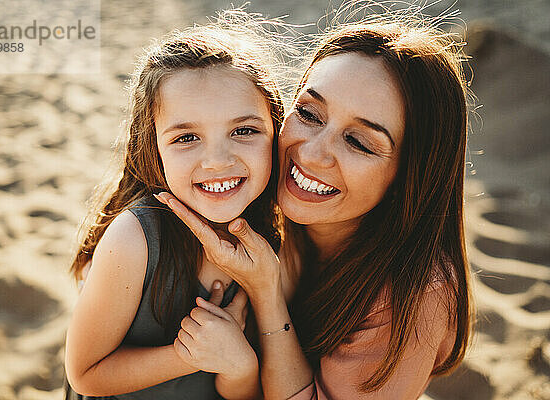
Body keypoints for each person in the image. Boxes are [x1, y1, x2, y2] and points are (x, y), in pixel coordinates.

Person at [156, 14, 473, 400]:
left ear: (410, 174)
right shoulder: (248, 189)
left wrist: (266, 295)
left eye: (358, 142)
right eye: (308, 114)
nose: (311, 153)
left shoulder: (419, 293)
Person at [64, 14, 289, 399]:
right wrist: (191, 355)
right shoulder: (134, 239)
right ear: (153, 148)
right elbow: (86, 374)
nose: (218, 160)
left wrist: (239, 365)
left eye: (244, 131)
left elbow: (241, 390)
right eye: (187, 137)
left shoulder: (273, 238)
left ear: (275, 130)